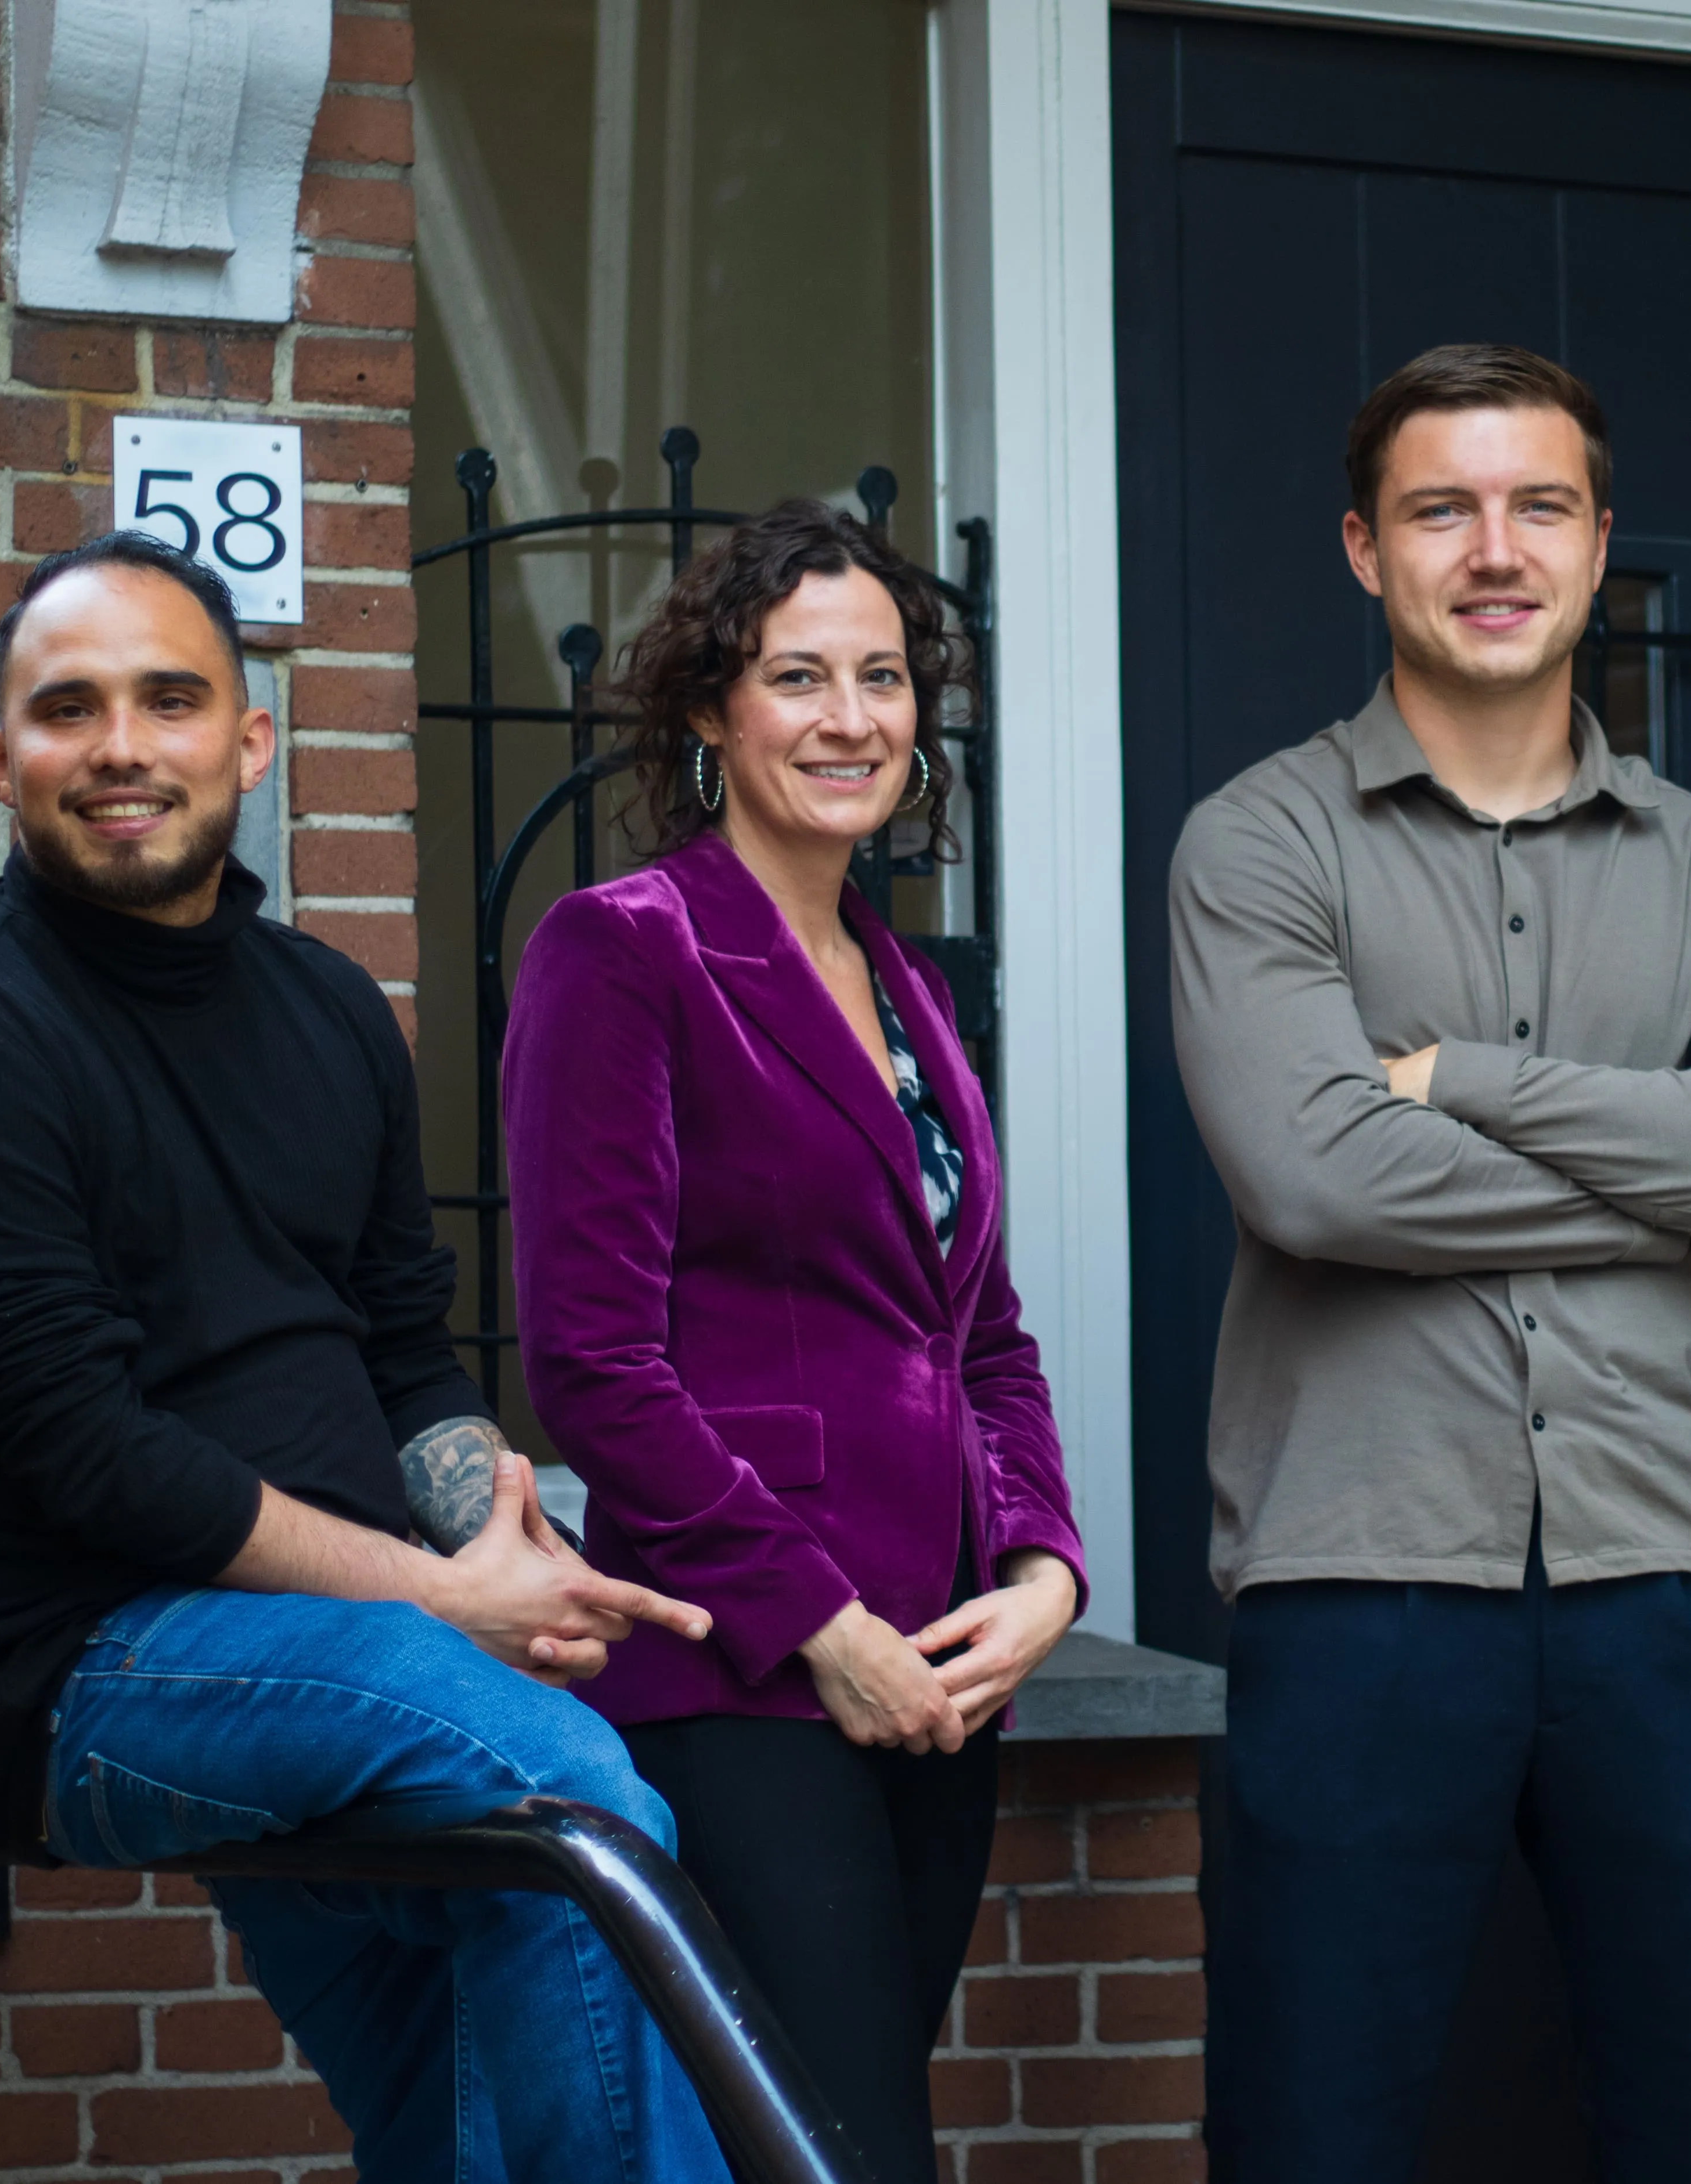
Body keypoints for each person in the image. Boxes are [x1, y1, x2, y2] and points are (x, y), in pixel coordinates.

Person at [0, 533, 731, 2184]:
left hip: (327, 1648)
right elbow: (87, 1455)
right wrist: (437, 1599)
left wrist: (489, 1537)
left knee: (470, 2040)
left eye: (170, 699)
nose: (120, 746)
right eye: (68, 708)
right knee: (562, 1803)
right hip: (83, 1667)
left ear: (250, 739)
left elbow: (403, 1345)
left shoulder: (327, 1011)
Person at [1168, 342, 1691, 2182]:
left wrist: (1462, 1084)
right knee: (1317, 2128)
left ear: (1600, 539)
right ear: (1360, 550)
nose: (1495, 548)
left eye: (1538, 504)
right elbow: (1317, 1183)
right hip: (1358, 1569)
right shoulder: (1260, 839)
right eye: (1440, 509)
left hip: (1678, 1577)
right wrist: (1677, 1172)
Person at [504, 501, 1085, 2184]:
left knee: (840, 2134)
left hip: (943, 1675)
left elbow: (985, 1335)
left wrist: (1044, 1572)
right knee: (834, 2157)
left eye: (885, 678)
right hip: (748, 1677)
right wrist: (822, 1626)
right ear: (709, 711)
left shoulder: (909, 992)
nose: (851, 719)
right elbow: (595, 1366)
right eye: (799, 677)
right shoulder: (623, 951)